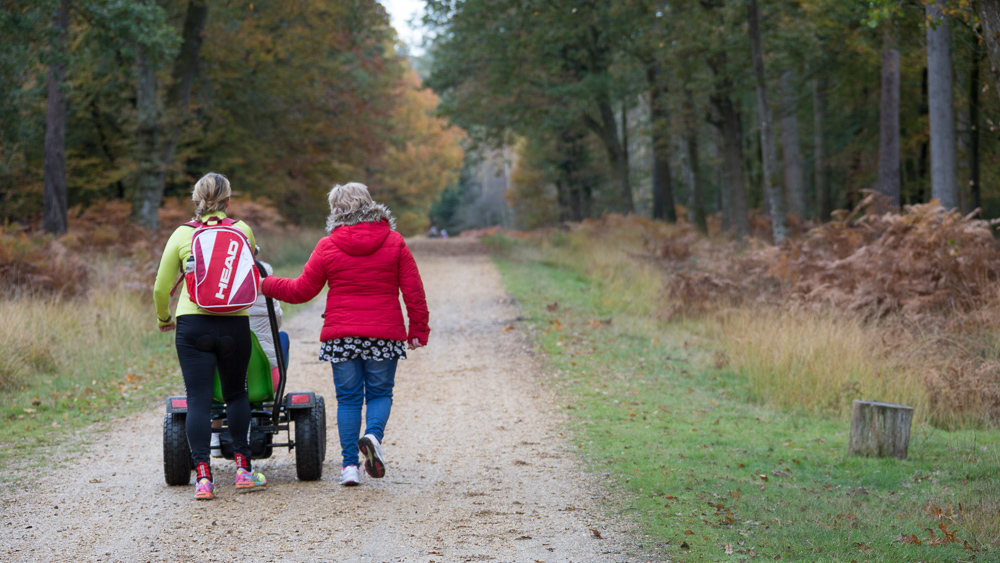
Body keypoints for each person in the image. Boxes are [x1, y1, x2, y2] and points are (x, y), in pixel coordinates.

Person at [261, 182, 429, 486]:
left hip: (342, 336)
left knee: (349, 400)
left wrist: (266, 284)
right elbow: (413, 291)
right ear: (369, 204)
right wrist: (418, 328)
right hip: (385, 334)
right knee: (380, 393)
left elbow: (301, 290)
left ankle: (349, 466)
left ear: (336, 210)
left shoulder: (328, 245)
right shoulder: (394, 242)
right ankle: (373, 437)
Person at [153, 172, 268, 500]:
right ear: (228, 201)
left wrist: (164, 318)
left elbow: (161, 287)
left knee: (198, 399)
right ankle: (244, 470)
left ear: (195, 200)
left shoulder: (181, 234)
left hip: (192, 325)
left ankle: (204, 478)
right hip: (234, 322)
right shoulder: (242, 230)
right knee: (236, 395)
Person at [211, 259, 288, 458]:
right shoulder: (265, 288)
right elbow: (277, 321)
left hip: (221, 386)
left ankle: (213, 431)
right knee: (282, 338)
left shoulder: (215, 296)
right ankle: (272, 406)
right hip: (265, 382)